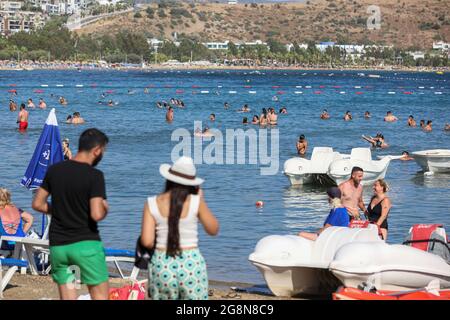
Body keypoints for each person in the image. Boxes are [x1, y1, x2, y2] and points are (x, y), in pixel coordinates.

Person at [32, 128, 110, 300]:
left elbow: (37, 203)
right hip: (85, 243)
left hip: (59, 245)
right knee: (100, 296)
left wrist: (56, 210)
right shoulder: (94, 175)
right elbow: (96, 214)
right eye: (103, 151)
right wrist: (105, 207)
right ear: (96, 150)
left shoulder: (54, 170)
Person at [140, 156, 219, 300]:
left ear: (168, 179)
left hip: (162, 264)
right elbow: (213, 229)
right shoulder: (196, 202)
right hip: (191, 264)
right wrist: (201, 200)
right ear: (192, 184)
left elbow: (146, 241)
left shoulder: (151, 203)